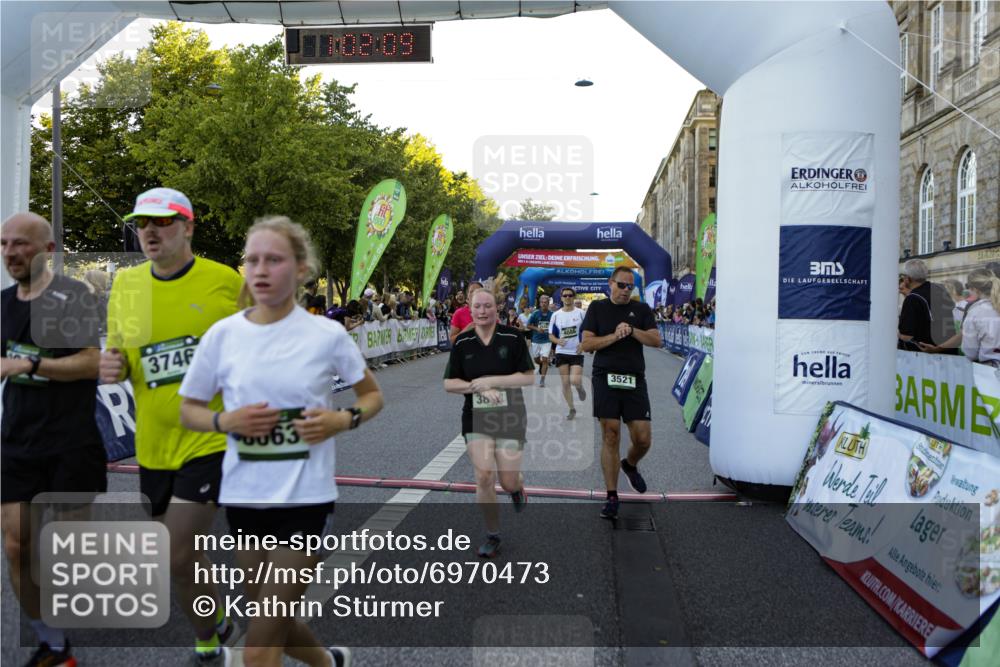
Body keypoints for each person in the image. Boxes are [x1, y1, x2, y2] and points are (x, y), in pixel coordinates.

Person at [178, 216, 381, 667]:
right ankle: (329, 663)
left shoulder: (326, 335)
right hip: (245, 498)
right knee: (276, 620)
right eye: (253, 260)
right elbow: (188, 409)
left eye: (274, 259)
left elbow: (371, 396)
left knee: (260, 643)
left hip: (306, 499)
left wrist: (340, 419)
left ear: (301, 269)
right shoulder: (223, 335)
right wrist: (225, 419)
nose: (261, 269)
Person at [99, 187, 242, 665]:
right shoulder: (127, 285)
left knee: (176, 554)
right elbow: (123, 354)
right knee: (182, 559)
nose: (149, 232)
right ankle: (213, 628)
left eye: (161, 222)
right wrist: (112, 366)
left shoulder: (225, 282)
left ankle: (209, 642)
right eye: (142, 224)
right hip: (152, 445)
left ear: (188, 226)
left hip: (209, 440)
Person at [1, 213, 107, 667]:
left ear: (47, 250)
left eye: (20, 244)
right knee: (16, 546)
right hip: (16, 443)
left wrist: (32, 366)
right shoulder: (4, 304)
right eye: (4, 244)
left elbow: (90, 363)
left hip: (70, 442)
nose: (10, 252)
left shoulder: (73, 296)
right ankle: (53, 642)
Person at [443, 289, 534, 558]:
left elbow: (528, 377)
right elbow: (449, 383)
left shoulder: (513, 337)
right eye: (477, 307)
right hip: (476, 415)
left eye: (488, 306)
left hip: (510, 414)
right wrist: (477, 388)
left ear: (497, 308)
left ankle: (516, 487)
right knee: (483, 476)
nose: (482, 312)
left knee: (506, 481)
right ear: (469, 310)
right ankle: (493, 535)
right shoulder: (462, 343)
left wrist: (493, 382)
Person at [580, 266, 662, 520]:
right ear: (610, 283)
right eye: (622, 285)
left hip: (634, 378)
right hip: (605, 376)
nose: (626, 290)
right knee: (611, 434)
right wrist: (614, 336)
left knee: (643, 439)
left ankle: (630, 464)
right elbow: (586, 344)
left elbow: (656, 341)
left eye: (630, 286)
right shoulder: (597, 309)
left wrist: (632, 330)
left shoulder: (641, 310)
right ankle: (612, 495)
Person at [898, 258, 956, 353]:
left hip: (925, 355)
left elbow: (906, 336)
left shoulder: (913, 298)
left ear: (908, 278)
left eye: (903, 277)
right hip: (948, 350)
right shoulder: (940, 289)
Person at [549, 288, 587, 419]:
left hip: (576, 352)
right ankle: (572, 409)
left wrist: (583, 344)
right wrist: (557, 340)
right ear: (561, 297)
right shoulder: (556, 315)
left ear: (574, 297)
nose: (568, 297)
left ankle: (579, 387)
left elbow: (587, 331)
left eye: (570, 295)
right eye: (565, 295)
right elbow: (551, 335)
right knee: (565, 383)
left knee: (575, 380)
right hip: (561, 352)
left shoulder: (581, 313)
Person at [958, 269, 1000, 367]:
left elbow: (970, 353)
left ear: (975, 289)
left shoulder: (975, 312)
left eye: (968, 287)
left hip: (990, 371)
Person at [527, 294, 554, 387]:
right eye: (542, 302)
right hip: (536, 340)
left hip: (547, 340)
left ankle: (542, 379)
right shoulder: (535, 313)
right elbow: (528, 325)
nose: (543, 304)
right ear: (539, 303)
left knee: (545, 359)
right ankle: (541, 366)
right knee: (537, 360)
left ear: (548, 303)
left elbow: (556, 326)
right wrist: (537, 329)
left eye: (545, 302)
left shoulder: (552, 314)